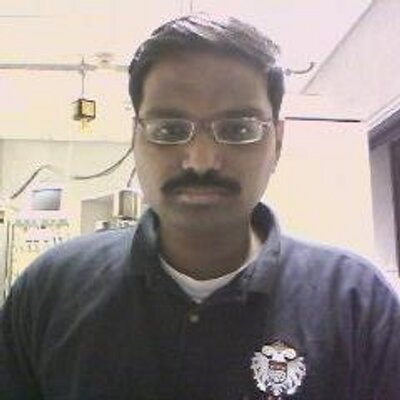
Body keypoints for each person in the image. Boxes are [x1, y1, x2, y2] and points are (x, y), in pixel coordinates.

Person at [1, 13, 399, 400]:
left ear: (277, 142)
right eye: (169, 129)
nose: (201, 161)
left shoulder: (358, 303)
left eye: (238, 129)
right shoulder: (50, 291)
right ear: (135, 138)